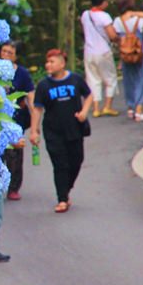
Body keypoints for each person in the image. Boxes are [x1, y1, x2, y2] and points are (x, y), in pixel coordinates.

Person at [29, 49, 93, 213]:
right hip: (53, 131)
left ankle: (66, 188)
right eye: (47, 62)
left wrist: (85, 112)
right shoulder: (44, 85)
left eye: (52, 62)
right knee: (60, 165)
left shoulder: (75, 79)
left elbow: (89, 95)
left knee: (76, 161)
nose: (48, 65)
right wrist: (34, 131)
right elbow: (37, 109)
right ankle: (62, 199)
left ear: (62, 63)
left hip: (74, 129)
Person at [0, 41, 35, 201]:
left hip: (16, 119)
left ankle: (13, 187)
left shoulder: (22, 73)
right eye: (3, 51)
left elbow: (30, 96)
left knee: (15, 154)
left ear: (16, 56)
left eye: (10, 53)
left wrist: (35, 123)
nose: (6, 55)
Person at [113, 0, 143, 122]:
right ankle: (139, 110)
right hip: (140, 53)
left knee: (129, 80)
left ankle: (130, 107)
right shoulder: (140, 20)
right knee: (141, 80)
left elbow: (114, 36)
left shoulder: (117, 21)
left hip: (126, 54)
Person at [80, 0, 120, 117]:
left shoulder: (85, 15)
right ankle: (107, 106)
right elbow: (112, 35)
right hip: (103, 51)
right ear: (102, 3)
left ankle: (96, 108)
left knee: (93, 79)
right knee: (110, 78)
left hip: (89, 51)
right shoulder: (104, 16)